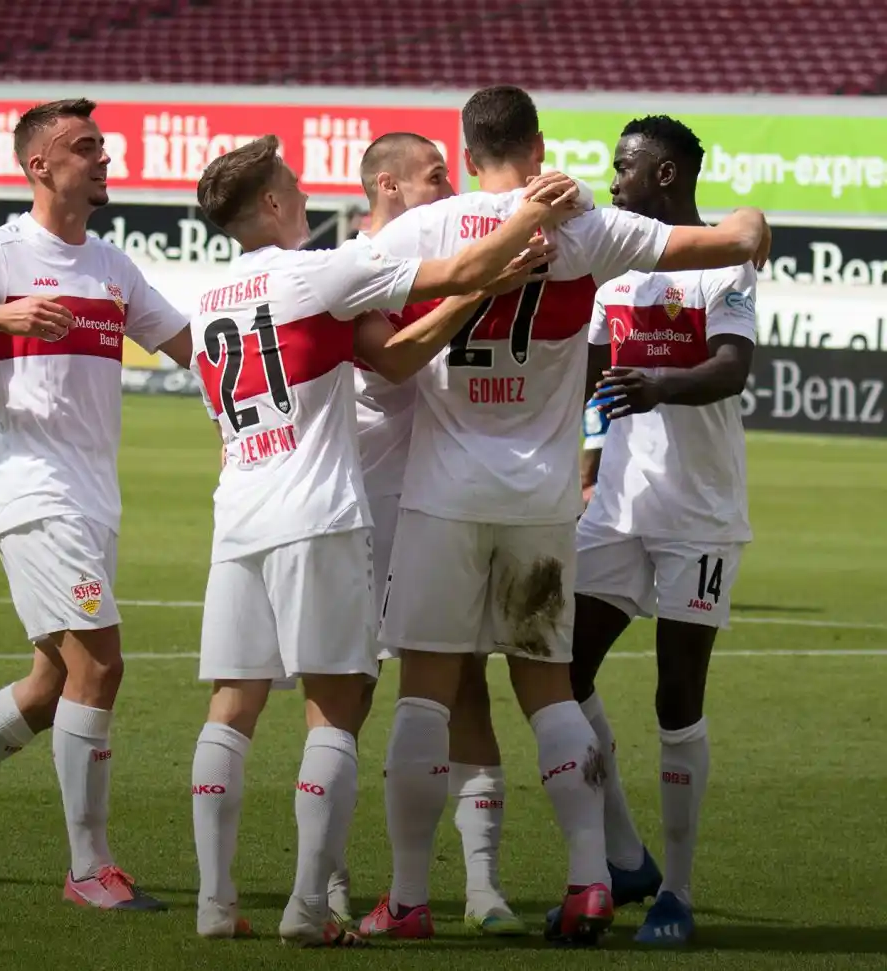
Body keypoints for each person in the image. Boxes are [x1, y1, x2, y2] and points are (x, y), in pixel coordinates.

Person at [357, 85, 770, 945]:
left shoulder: (424, 231)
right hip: (547, 503)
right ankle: (592, 880)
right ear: (540, 146)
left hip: (445, 495)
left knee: (424, 698)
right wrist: (751, 219)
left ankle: (407, 897)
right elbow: (735, 237)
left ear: (467, 156)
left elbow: (359, 326)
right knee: (550, 691)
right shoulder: (589, 231)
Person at [187, 134, 578, 947]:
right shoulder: (319, 270)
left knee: (232, 708)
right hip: (326, 511)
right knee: (339, 710)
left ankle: (215, 902)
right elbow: (460, 273)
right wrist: (530, 214)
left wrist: (468, 294)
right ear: (270, 201)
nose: (301, 191)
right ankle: (309, 904)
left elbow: (393, 356)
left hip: (239, 516)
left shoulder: (210, 297)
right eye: (290, 183)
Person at [0, 98, 194, 911]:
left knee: (54, 682)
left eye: (103, 146)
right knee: (102, 664)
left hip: (95, 500)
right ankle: (89, 867)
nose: (104, 159)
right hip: (32, 493)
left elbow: (190, 345)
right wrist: (2, 314)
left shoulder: (114, 267)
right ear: (40, 166)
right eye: (85, 148)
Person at [331, 130, 547, 936]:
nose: (449, 187)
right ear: (387, 186)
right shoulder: (352, 270)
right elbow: (393, 361)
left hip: (438, 501)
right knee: (346, 690)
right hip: (360, 506)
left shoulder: (443, 252)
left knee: (463, 685)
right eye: (433, 177)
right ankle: (331, 875)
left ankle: (484, 887)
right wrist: (483, 282)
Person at [570, 115, 759, 947]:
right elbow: (584, 378)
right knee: (558, 667)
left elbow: (731, 366)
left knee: (676, 694)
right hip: (615, 508)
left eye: (626, 167)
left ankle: (675, 891)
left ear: (668, 174)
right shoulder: (615, 273)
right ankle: (623, 855)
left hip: (698, 513)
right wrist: (580, 463)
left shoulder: (722, 259)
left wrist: (659, 383)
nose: (614, 180)